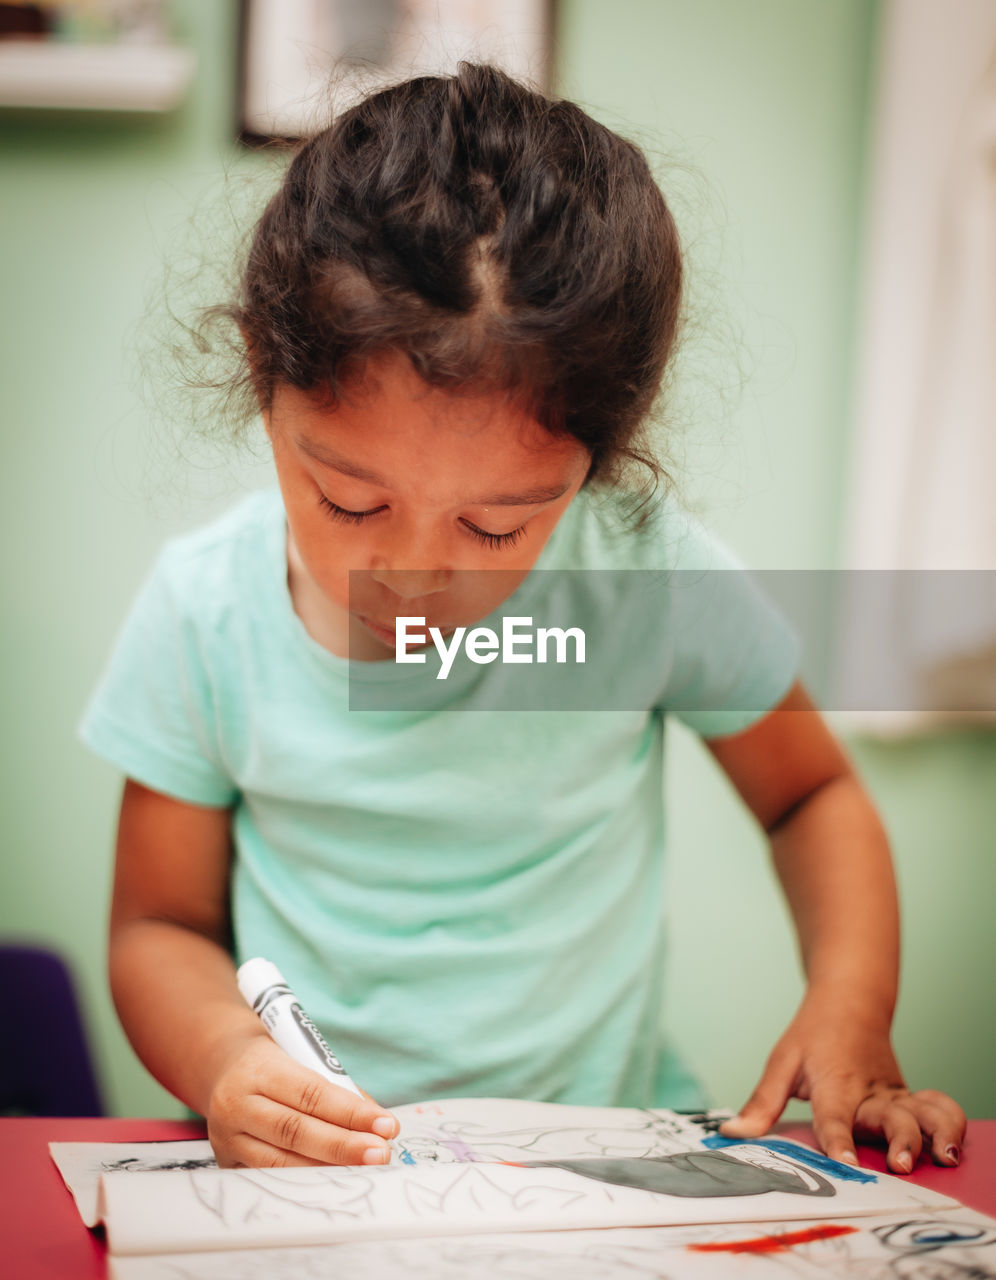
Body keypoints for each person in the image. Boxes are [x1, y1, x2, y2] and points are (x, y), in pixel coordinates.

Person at [79, 63, 965, 1173]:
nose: (409, 569)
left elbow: (811, 792)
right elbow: (158, 924)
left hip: (606, 1176)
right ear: (264, 378)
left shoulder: (636, 579)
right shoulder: (206, 613)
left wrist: (850, 1003)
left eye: (496, 527)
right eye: (350, 500)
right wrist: (221, 1056)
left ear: (595, 456)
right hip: (317, 1183)